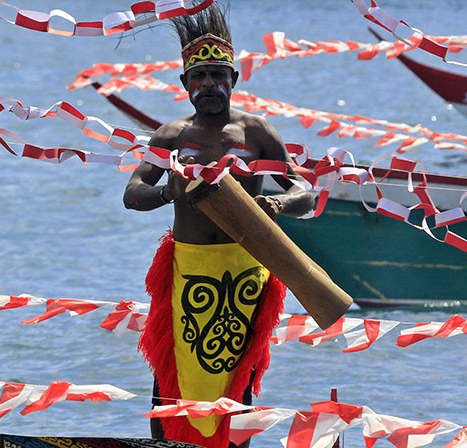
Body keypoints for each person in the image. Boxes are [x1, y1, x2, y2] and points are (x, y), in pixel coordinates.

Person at [123, 4, 316, 448]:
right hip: (187, 270)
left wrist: (278, 204)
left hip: (245, 269)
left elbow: (304, 193)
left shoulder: (256, 133)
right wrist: (167, 192)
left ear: (234, 79)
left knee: (238, 378)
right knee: (169, 375)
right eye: (199, 77)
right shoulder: (171, 136)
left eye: (217, 75)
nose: (208, 84)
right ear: (185, 85)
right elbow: (133, 195)